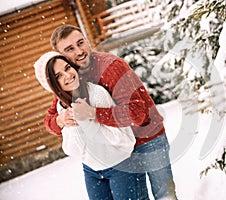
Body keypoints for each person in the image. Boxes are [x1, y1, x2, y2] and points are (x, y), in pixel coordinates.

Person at [44, 24, 177, 200]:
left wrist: (92, 113)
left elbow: (137, 113)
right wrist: (60, 120)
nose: (79, 51)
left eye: (80, 43)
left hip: (147, 139)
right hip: (118, 148)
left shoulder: (111, 67)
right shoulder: (70, 77)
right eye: (70, 49)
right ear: (61, 56)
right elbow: (50, 121)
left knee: (164, 194)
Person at [34, 52, 149, 200]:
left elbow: (122, 137)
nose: (68, 75)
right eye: (58, 76)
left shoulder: (96, 94)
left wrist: (91, 116)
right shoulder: (61, 106)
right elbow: (72, 149)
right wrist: (65, 121)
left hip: (121, 164)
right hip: (92, 170)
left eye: (67, 68)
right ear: (53, 86)